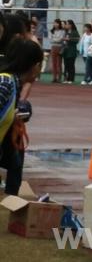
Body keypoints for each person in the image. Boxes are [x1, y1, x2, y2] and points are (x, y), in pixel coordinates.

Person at [0, 38, 43, 195]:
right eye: (40, 64)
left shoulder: (13, 83)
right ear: (34, 66)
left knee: (15, 158)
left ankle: (11, 199)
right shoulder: (5, 82)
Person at [61, 20, 79, 84]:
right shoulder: (65, 32)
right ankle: (66, 78)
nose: (66, 25)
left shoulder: (75, 32)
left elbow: (77, 40)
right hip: (65, 50)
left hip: (72, 51)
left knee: (71, 65)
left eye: (67, 24)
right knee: (66, 65)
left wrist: (69, 39)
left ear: (71, 25)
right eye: (66, 24)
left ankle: (71, 78)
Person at [49, 19, 66, 83]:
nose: (55, 24)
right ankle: (54, 77)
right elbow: (50, 40)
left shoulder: (62, 31)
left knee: (59, 63)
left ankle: (59, 78)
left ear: (59, 24)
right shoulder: (51, 31)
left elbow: (60, 39)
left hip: (59, 47)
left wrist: (55, 39)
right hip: (53, 47)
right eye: (54, 23)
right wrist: (57, 39)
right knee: (54, 63)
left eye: (57, 23)